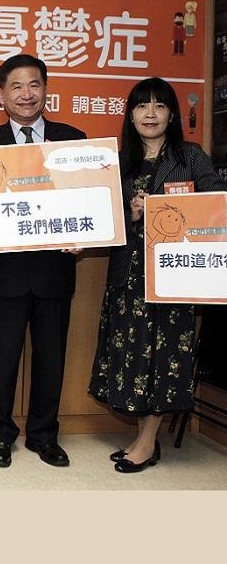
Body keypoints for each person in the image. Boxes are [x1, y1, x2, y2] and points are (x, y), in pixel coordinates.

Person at [89, 77, 227, 473]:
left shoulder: (190, 156)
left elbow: (217, 205)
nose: (150, 114)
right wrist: (131, 215)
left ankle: (148, 442)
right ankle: (142, 438)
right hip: (128, 278)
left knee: (162, 359)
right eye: (141, 106)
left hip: (171, 278)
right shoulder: (117, 162)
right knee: (133, 359)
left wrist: (168, 209)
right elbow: (101, 219)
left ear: (172, 114)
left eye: (160, 106)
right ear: (130, 115)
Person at [0, 54, 85, 469]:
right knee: (1, 360)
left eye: (34, 84)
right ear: (2, 95)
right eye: (16, 86)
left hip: (55, 270)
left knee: (51, 359)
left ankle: (44, 435)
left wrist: (86, 235)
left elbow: (87, 200)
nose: (26, 94)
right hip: (6, 273)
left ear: (45, 90)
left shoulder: (73, 140)